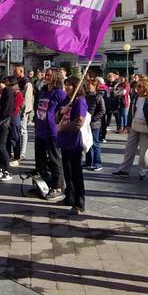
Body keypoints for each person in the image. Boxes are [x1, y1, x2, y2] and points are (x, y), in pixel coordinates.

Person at [55, 76, 89, 215]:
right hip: (64, 141)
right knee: (67, 172)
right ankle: (69, 197)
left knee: (76, 174)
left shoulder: (80, 101)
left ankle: (79, 203)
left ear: (77, 87)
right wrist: (60, 112)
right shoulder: (66, 100)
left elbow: (78, 122)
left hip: (74, 142)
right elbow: (57, 117)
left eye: (70, 85)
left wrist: (62, 128)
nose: (67, 87)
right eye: (66, 84)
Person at [34, 69, 67, 201]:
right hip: (40, 130)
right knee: (40, 160)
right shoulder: (43, 91)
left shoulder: (59, 93)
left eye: (49, 75)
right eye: (45, 75)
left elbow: (66, 107)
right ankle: (44, 184)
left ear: (55, 77)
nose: (46, 77)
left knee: (54, 160)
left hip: (52, 131)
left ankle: (58, 187)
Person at [114, 78, 148, 179]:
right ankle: (124, 169)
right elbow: (131, 111)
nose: (137, 88)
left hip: (145, 126)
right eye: (137, 86)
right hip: (134, 124)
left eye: (140, 86)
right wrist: (128, 124)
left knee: (144, 151)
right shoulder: (135, 97)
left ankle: (142, 171)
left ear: (145, 87)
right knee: (129, 148)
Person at [0, 73, 16, 181]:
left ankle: (7, 171)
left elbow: (7, 110)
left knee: (2, 147)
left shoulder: (7, 91)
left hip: (3, 122)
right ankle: (1, 168)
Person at [83, 78, 107, 171]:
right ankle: (88, 162)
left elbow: (102, 110)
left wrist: (92, 119)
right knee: (87, 143)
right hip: (86, 123)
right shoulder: (86, 96)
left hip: (94, 124)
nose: (89, 87)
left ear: (95, 87)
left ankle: (97, 163)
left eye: (91, 86)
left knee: (95, 143)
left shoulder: (98, 96)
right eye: (88, 86)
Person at [13, 65, 33, 167]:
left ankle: (22, 152)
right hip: (16, 110)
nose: (14, 72)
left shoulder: (27, 83)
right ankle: (17, 150)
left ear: (21, 71)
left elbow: (27, 98)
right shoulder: (17, 81)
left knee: (22, 130)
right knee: (17, 130)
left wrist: (24, 111)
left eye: (16, 71)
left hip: (22, 111)